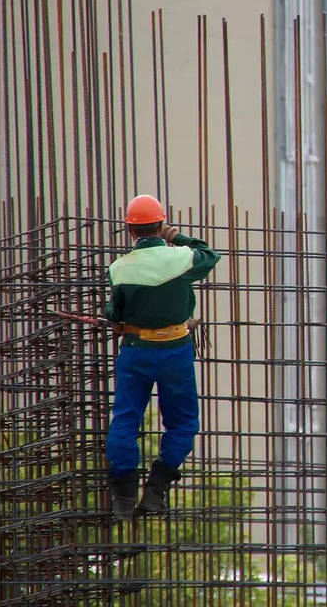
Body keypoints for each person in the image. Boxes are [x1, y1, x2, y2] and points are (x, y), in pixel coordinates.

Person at [103, 194, 221, 519]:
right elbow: (209, 254)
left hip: (136, 351)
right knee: (183, 423)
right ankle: (156, 488)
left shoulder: (119, 268)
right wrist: (175, 236)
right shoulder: (181, 258)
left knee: (125, 420)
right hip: (175, 351)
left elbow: (114, 312)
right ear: (161, 223)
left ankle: (123, 496)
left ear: (129, 230)